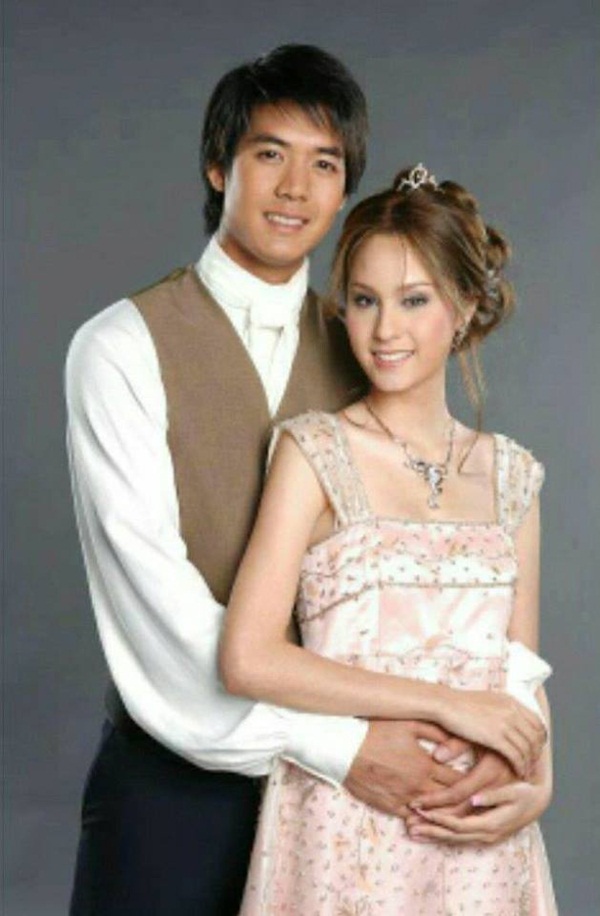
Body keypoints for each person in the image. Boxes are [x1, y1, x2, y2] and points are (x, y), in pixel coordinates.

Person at [220, 164, 557, 913]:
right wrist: (448, 704)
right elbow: (248, 658)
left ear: (463, 307)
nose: (384, 330)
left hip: (481, 835)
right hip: (347, 825)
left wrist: (539, 783)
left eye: (414, 300)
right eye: (365, 300)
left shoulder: (512, 476)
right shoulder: (313, 451)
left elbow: (520, 674)